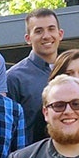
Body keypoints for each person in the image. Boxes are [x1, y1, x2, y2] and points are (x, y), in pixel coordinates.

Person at [6, 8, 64, 143]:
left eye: (51, 29)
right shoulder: (14, 78)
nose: (46, 36)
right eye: (38, 31)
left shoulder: (71, 72)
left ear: (60, 34)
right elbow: (10, 128)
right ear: (28, 38)